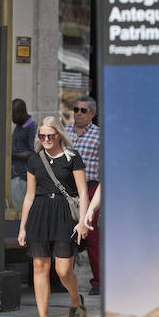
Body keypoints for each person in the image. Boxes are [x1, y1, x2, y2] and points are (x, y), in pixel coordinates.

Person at [18, 116, 89, 317]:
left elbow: (84, 192)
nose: (46, 139)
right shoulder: (34, 160)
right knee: (40, 266)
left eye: (50, 135)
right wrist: (22, 227)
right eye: (42, 135)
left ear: (58, 135)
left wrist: (83, 221)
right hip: (39, 213)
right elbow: (29, 196)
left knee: (63, 270)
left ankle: (76, 301)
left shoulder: (72, 157)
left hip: (64, 214)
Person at [65, 95, 101, 295]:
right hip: (67, 189)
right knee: (66, 234)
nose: (78, 113)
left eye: (83, 110)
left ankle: (98, 281)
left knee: (93, 235)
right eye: (76, 109)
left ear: (92, 114)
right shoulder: (64, 133)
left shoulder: (99, 135)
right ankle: (65, 278)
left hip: (90, 188)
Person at [10, 98, 37, 210]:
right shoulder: (19, 125)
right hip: (15, 176)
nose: (12, 118)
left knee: (21, 211)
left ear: (22, 112)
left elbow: (33, 153)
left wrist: (11, 155)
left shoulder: (32, 127)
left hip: (23, 178)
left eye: (14, 114)